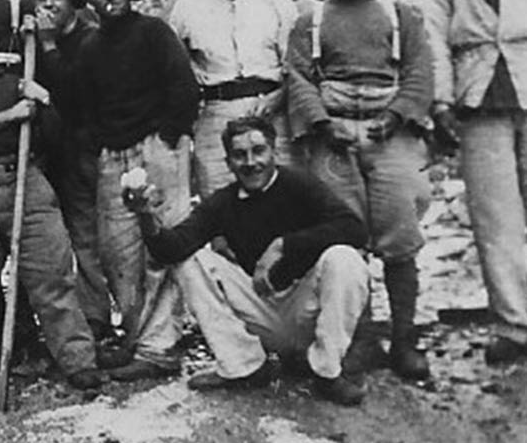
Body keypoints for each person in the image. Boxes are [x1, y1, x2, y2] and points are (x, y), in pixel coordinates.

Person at [124, 116, 369, 406]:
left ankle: (328, 371)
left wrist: (284, 245)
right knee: (191, 260)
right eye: (240, 155)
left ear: (274, 153)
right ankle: (245, 365)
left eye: (258, 151)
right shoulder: (223, 202)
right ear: (228, 163)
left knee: (344, 258)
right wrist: (145, 215)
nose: (251, 162)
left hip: (307, 309)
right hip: (262, 308)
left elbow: (355, 229)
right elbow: (172, 249)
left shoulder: (300, 185)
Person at [285, 0, 433, 381]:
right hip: (335, 139)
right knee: (344, 237)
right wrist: (325, 126)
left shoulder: (401, 15)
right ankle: (359, 337)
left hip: (388, 134)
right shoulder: (312, 20)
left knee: (400, 232)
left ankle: (405, 339)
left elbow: (419, 73)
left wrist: (393, 118)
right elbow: (298, 78)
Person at [0, 13, 105, 401]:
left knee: (52, 275)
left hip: (27, 181)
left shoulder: (18, 84)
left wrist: (42, 101)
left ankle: (79, 361)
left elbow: (56, 135)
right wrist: (12, 115)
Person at [44, 0, 199, 383]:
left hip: (157, 148)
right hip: (113, 154)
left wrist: (169, 135)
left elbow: (183, 86)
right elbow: (78, 98)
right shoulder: (93, 46)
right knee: (119, 252)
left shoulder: (153, 32)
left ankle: (160, 346)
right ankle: (137, 335)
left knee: (161, 245)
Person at [422, 0, 527, 367]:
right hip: (478, 101)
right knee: (496, 218)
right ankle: (514, 324)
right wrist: (441, 104)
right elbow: (435, 45)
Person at [169, 0, 299, 197]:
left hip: (272, 110)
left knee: (283, 196)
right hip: (217, 113)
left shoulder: (276, 2)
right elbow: (176, 72)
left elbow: (296, 65)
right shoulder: (187, 9)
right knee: (220, 200)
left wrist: (278, 98)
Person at [31, 0, 110, 342]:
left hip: (85, 149)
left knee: (90, 235)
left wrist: (47, 46)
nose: (47, 7)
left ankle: (99, 316)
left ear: (73, 5)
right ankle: (75, 320)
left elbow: (73, 89)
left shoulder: (89, 38)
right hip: (52, 151)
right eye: (41, 0)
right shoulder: (37, 42)